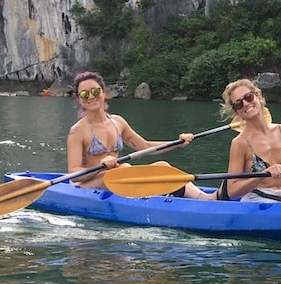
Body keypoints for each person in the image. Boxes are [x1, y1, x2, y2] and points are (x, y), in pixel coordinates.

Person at [66, 71, 215, 199]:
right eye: (85, 94)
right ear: (79, 99)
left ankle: (205, 198)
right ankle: (154, 195)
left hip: (119, 178)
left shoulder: (118, 122)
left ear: (104, 92)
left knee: (163, 166)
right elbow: (74, 174)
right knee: (122, 169)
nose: (91, 96)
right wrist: (100, 166)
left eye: (95, 91)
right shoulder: (77, 131)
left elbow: (145, 146)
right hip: (86, 185)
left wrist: (177, 142)